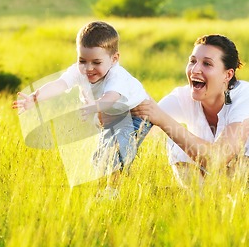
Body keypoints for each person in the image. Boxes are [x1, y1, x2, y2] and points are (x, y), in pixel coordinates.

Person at [132, 34, 249, 188]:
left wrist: (163, 119)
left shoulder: (246, 98)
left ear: (227, 75)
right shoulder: (182, 96)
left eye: (207, 64)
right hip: (217, 191)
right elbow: (140, 127)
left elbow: (217, 158)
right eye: (192, 61)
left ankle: (223, 196)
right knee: (175, 138)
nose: (195, 69)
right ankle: (203, 202)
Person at [12, 21, 152, 197]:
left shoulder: (118, 76)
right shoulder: (80, 71)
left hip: (136, 114)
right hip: (109, 114)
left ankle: (112, 191)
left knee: (117, 150)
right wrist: (35, 97)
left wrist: (95, 106)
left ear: (114, 59)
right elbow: (60, 84)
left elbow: (110, 98)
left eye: (96, 62)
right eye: (82, 61)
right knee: (100, 157)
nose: (88, 68)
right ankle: (111, 188)